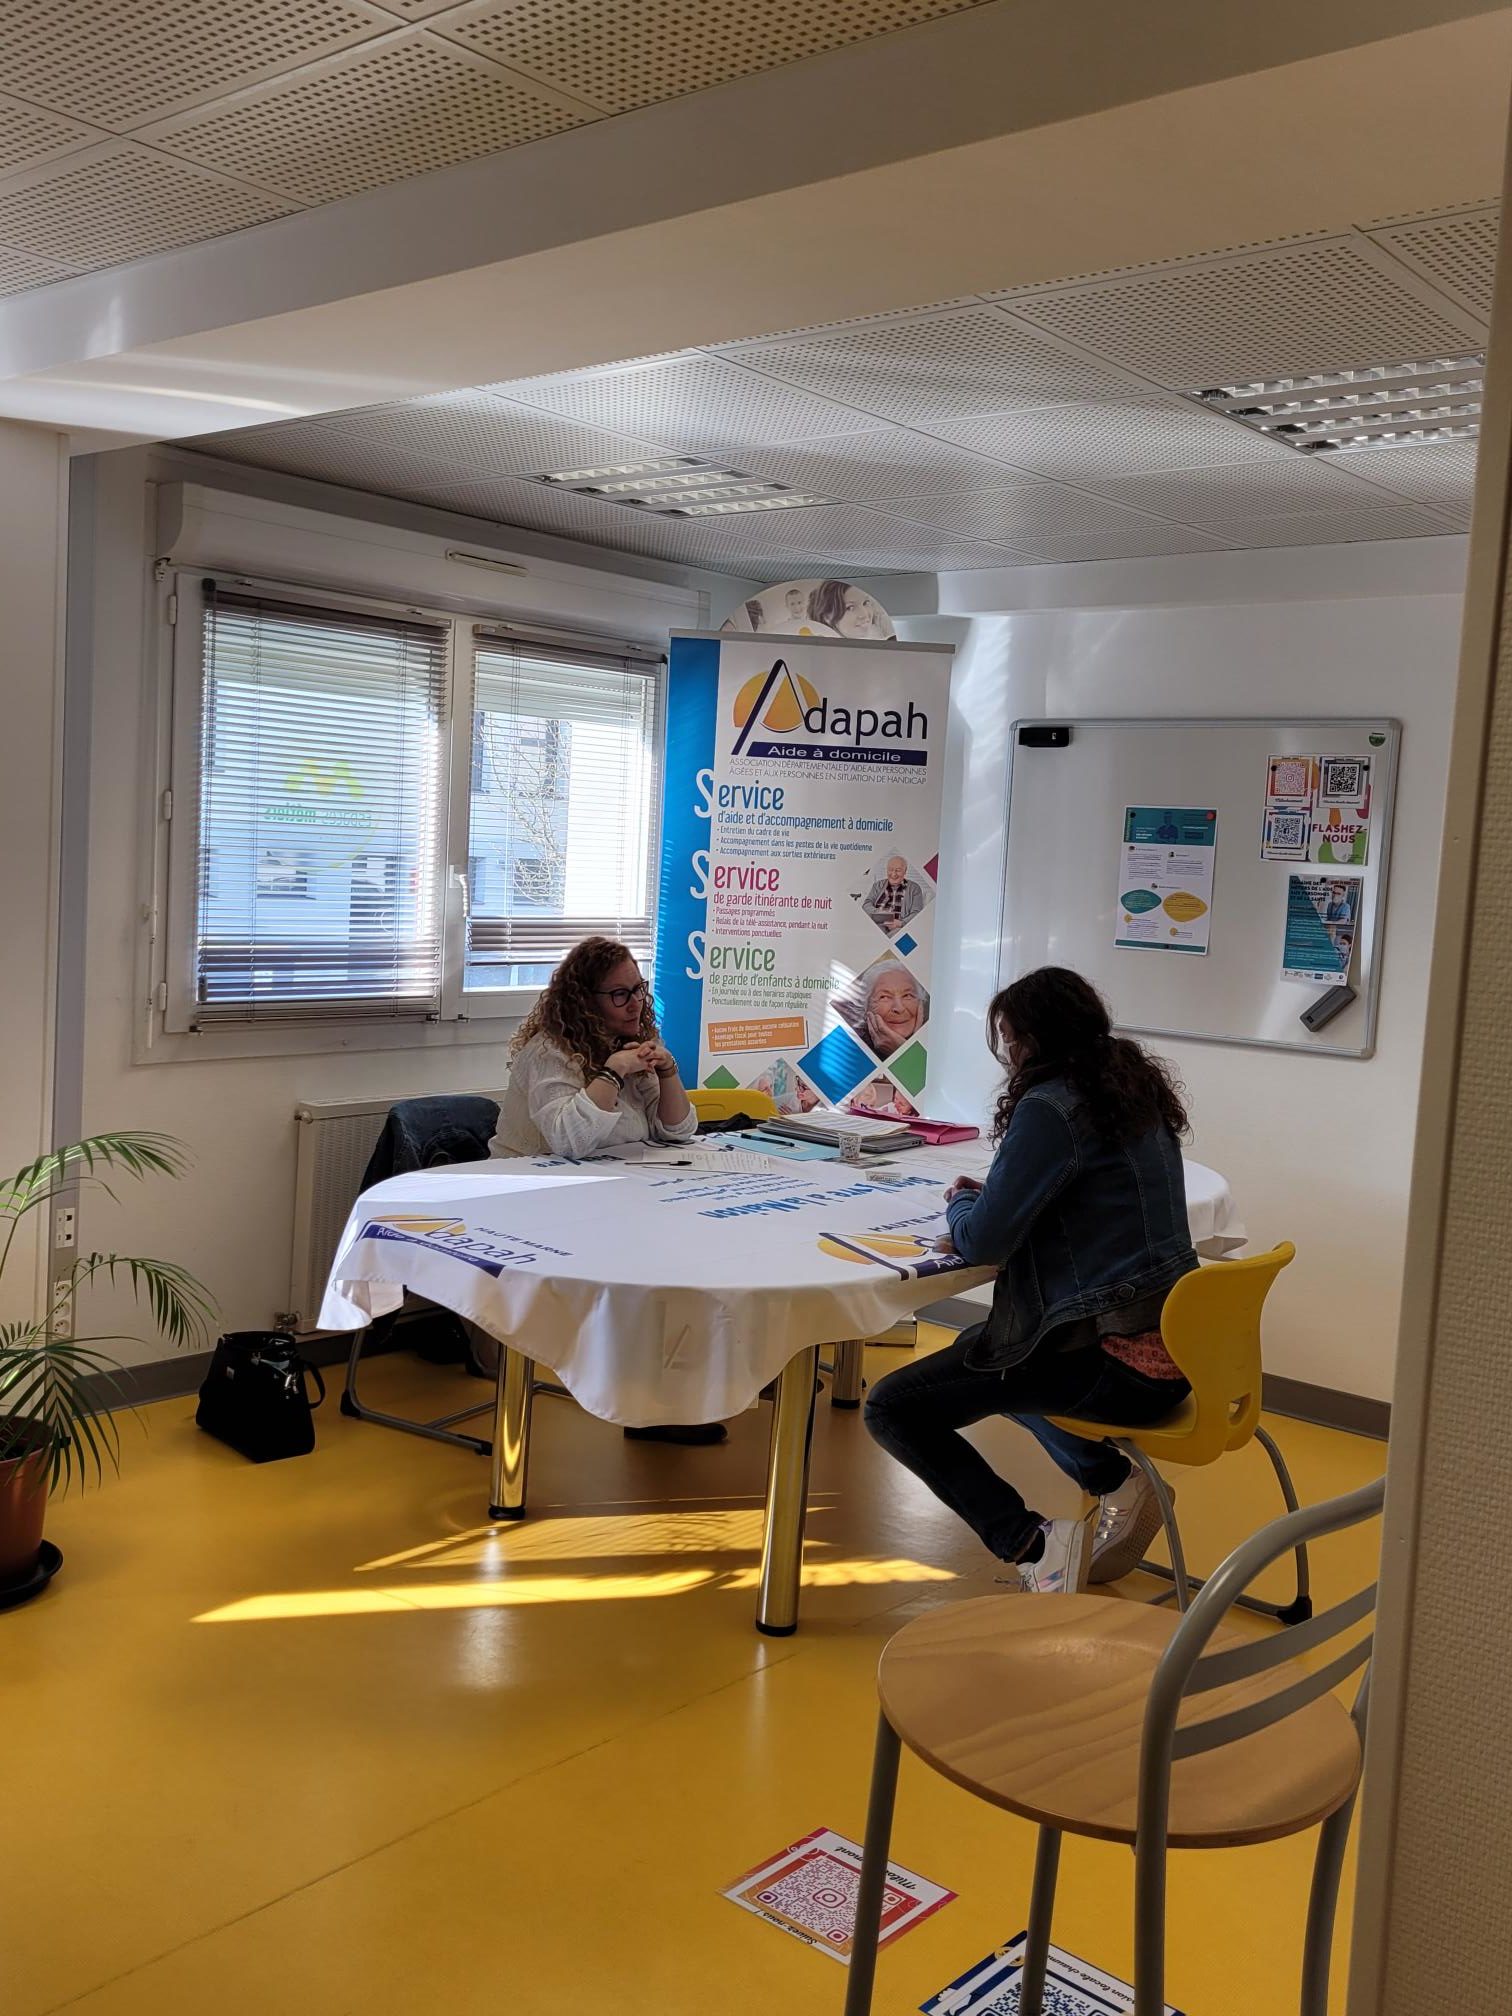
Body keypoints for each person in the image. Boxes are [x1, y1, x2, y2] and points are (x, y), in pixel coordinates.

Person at [864, 968, 1197, 1594]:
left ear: (1034, 1040)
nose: (1009, 1054)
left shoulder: (1052, 1106)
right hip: (1177, 1352)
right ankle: (1115, 1480)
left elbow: (984, 1240)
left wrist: (963, 1203)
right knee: (985, 1351)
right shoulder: (1131, 1092)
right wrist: (1000, 1199)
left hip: (1112, 1366)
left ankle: (1034, 1546)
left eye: (1011, 1040)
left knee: (894, 1406)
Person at [492, 936, 723, 1446]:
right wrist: (611, 1073)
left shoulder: (632, 1040)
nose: (635, 1003)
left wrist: (668, 1072)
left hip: (609, 1186)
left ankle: (698, 1379)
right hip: (533, 1196)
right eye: (620, 994)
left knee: (695, 1240)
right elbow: (568, 1140)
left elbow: (677, 1132)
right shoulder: (550, 1052)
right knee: (653, 1254)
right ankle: (649, 1401)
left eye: (639, 989)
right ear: (584, 1000)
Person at [842, 963, 926, 1059]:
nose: (899, 1008)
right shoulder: (850, 1051)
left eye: (907, 995)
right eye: (884, 997)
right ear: (864, 1008)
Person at [862, 856, 925, 934]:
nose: (893, 874)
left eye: (898, 870)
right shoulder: (877, 885)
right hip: (877, 924)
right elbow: (866, 904)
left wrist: (901, 923)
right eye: (890, 870)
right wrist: (880, 914)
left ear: (905, 871)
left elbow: (917, 913)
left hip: (898, 928)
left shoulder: (915, 888)